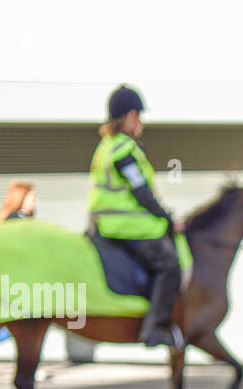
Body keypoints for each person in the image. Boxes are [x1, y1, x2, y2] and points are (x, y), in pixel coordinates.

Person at [87, 84, 182, 347]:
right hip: (125, 227)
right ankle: (154, 328)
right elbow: (142, 192)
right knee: (170, 265)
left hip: (110, 223)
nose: (141, 122)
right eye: (139, 115)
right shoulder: (124, 150)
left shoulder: (107, 146)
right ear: (129, 116)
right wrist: (168, 218)